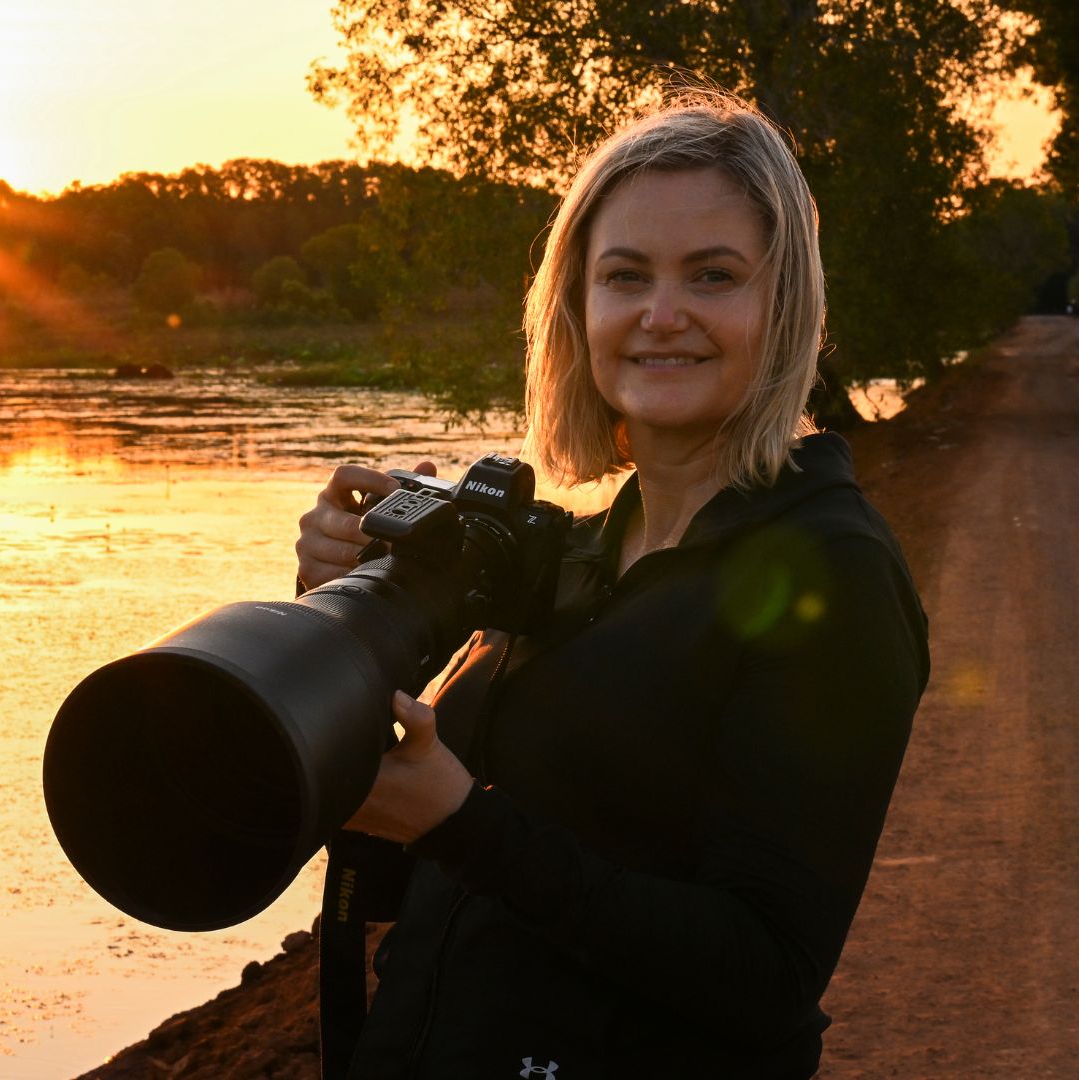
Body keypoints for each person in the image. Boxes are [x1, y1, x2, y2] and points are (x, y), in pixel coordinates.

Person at [295, 89, 929, 1079]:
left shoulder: (833, 573)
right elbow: (408, 872)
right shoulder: (582, 551)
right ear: (578, 305)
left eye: (713, 276)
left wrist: (463, 822)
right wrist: (341, 627)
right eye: (624, 276)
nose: (659, 315)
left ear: (784, 305)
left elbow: (767, 972)